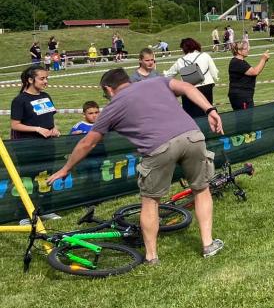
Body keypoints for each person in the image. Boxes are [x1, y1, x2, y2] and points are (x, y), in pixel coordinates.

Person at [47, 69, 226, 264]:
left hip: (158, 148)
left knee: (150, 202)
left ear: (108, 89)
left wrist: (65, 169)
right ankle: (208, 244)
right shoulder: (157, 81)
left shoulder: (112, 107)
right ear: (127, 80)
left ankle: (151, 256)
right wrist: (210, 110)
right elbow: (187, 87)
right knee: (201, 190)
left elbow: (87, 143)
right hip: (192, 136)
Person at [164, 38, 219, 118]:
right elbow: (214, 71)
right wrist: (215, 78)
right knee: (207, 111)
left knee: (191, 114)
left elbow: (168, 75)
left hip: (188, 89)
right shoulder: (205, 55)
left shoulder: (180, 60)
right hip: (206, 86)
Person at [10, 65, 60, 140]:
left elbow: (51, 117)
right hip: (29, 144)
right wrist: (38, 129)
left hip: (49, 142)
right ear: (30, 80)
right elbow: (15, 125)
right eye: (42, 79)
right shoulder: (19, 100)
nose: (46, 81)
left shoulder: (46, 96)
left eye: (46, 78)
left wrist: (54, 128)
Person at [228, 42, 270, 110]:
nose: (248, 50)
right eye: (245, 49)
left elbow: (254, 71)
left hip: (242, 96)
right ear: (239, 51)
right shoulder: (238, 62)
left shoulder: (239, 62)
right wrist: (263, 59)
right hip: (242, 97)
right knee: (245, 118)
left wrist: (264, 61)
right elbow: (255, 72)